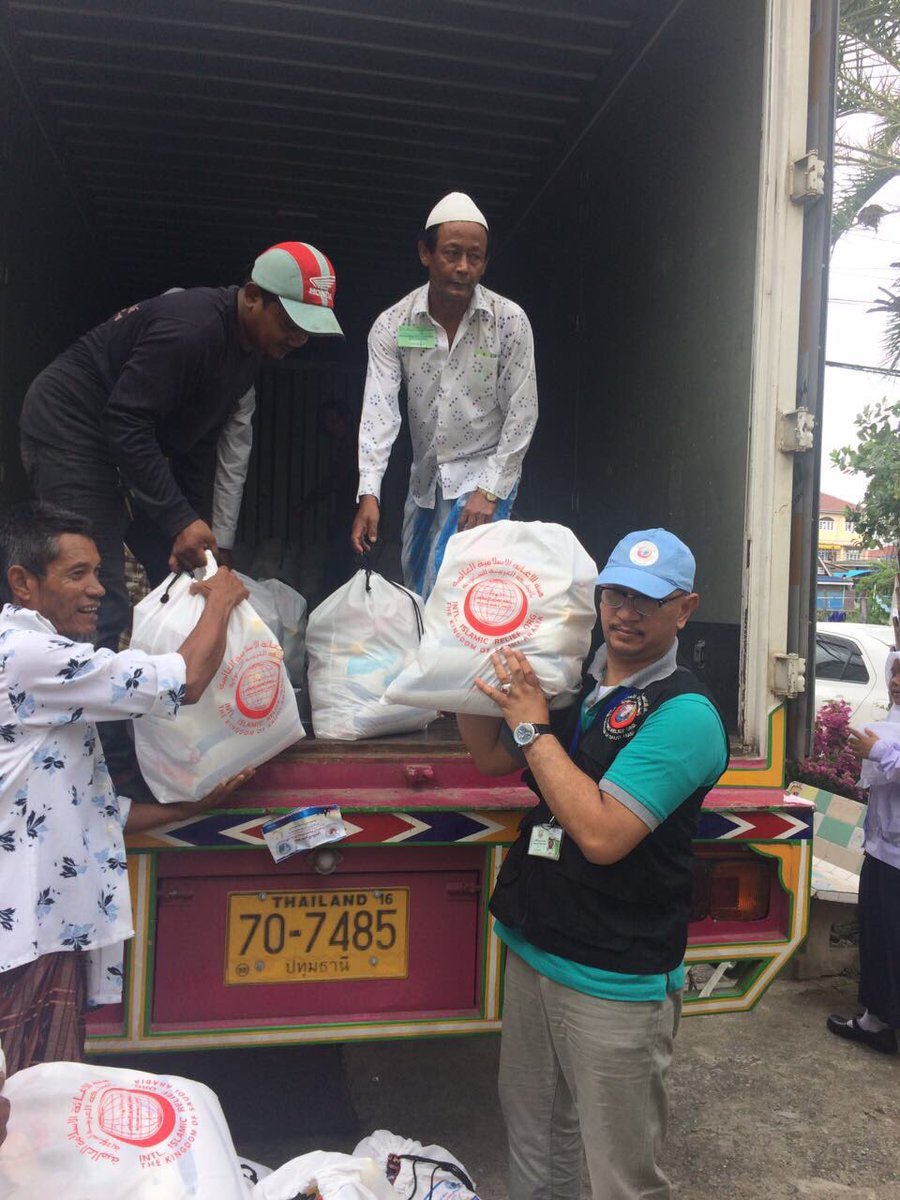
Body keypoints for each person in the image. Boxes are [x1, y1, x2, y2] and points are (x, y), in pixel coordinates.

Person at [456, 529, 729, 1200]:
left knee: (620, 1178)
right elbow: (490, 757)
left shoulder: (686, 714)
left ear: (686, 608)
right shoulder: (572, 679)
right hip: (537, 945)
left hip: (613, 976)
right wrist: (464, 666)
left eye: (648, 600)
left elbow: (603, 834)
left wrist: (531, 727)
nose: (626, 613)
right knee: (535, 1147)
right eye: (616, 595)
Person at [0, 501, 256, 1074]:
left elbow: (89, 812)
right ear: (23, 583)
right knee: (28, 1100)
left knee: (39, 1095)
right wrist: (218, 600)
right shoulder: (28, 657)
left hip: (43, 933)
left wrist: (191, 806)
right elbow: (184, 681)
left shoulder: (41, 671)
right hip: (26, 938)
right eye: (77, 574)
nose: (97, 589)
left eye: (98, 571)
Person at [19, 241, 343, 658]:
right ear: (252, 296)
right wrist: (178, 519)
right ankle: (72, 695)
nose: (298, 338)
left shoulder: (244, 355)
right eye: (290, 322)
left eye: (308, 330)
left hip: (120, 438)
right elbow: (126, 421)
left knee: (179, 574)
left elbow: (194, 444)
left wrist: (191, 523)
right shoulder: (192, 330)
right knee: (97, 592)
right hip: (71, 427)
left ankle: (167, 691)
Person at [350, 192, 538, 598]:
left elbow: (522, 413)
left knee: (456, 593)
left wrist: (490, 490)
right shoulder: (394, 325)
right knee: (416, 585)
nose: (463, 267)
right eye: (452, 254)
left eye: (475, 257)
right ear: (425, 253)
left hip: (484, 479)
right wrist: (369, 492)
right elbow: (379, 412)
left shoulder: (508, 322)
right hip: (426, 480)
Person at [827, 649, 900, 1055]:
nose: (895, 682)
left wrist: (880, 753)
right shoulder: (891, 722)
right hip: (883, 851)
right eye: (895, 672)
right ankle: (876, 1021)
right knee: (878, 935)